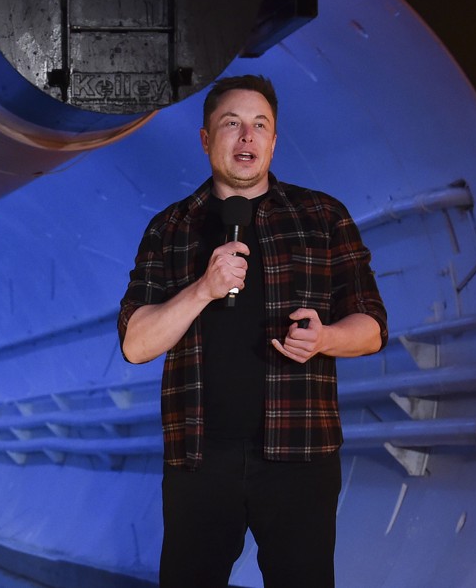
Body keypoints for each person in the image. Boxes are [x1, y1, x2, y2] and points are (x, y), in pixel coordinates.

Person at [118, 74, 387, 587]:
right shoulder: (169, 228)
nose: (247, 138)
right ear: (205, 138)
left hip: (300, 457)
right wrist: (203, 288)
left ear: (274, 140)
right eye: (232, 124)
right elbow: (136, 344)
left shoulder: (322, 217)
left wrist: (326, 338)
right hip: (199, 460)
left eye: (259, 125)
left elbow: (372, 326)